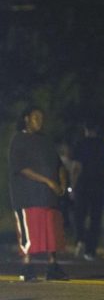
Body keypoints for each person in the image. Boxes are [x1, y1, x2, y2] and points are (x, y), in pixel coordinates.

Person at [9, 106, 69, 282]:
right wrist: (48, 181)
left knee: (51, 232)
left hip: (49, 197)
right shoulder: (19, 139)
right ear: (27, 118)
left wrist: (62, 182)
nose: (39, 121)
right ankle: (27, 265)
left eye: (41, 118)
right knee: (30, 232)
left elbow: (59, 165)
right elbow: (21, 168)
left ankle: (52, 265)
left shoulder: (45, 141)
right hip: (27, 195)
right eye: (35, 118)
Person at [72, 123, 104, 261]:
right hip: (98, 184)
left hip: (83, 183)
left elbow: (77, 167)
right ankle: (91, 249)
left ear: (85, 129)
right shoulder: (102, 145)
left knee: (80, 215)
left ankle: (80, 239)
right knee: (95, 218)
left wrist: (72, 185)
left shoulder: (80, 144)